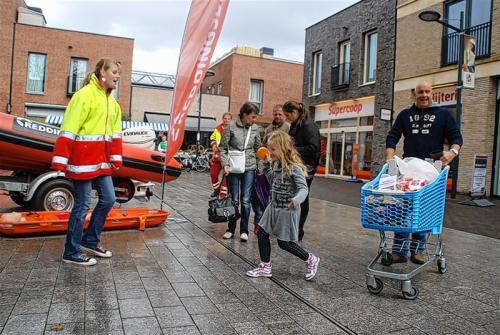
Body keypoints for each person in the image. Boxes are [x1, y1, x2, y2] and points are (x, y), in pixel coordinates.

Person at [51, 58, 123, 266]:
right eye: (115, 72)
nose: (118, 76)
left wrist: (115, 156)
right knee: (82, 205)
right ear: (102, 72)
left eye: (119, 73)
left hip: (102, 162)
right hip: (82, 161)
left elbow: (115, 133)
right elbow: (69, 127)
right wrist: (61, 160)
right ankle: (71, 252)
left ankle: (90, 240)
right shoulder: (83, 96)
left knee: (109, 199)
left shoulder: (113, 103)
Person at [386, 80, 463, 264]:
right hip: (408, 170)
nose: (424, 95)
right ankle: (399, 251)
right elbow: (392, 137)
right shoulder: (405, 114)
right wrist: (390, 162)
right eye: (421, 92)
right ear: (415, 94)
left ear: (432, 92)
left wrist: (451, 153)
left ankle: (418, 250)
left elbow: (457, 137)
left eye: (427, 91)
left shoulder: (443, 114)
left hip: (431, 171)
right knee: (403, 209)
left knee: (424, 210)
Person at [246, 131, 320, 280]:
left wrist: (296, 200)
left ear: (283, 148)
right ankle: (265, 266)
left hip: (287, 208)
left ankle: (311, 259)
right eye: (269, 148)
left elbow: (303, 189)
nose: (269, 152)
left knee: (284, 243)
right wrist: (266, 164)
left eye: (273, 149)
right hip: (273, 206)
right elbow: (271, 179)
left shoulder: (295, 168)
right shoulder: (276, 164)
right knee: (262, 233)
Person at [220, 102, 261, 242]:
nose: (254, 120)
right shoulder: (230, 127)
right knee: (234, 199)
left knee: (245, 200)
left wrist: (259, 167)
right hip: (233, 166)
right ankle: (230, 229)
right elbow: (223, 148)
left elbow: (258, 149)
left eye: (255, 117)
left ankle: (244, 231)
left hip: (249, 167)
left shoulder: (255, 128)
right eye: (253, 116)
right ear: (244, 114)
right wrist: (225, 164)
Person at [282, 101, 320, 241]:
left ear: (294, 112)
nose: (287, 118)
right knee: (296, 193)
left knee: (302, 195)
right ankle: (294, 226)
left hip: (308, 166)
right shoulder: (296, 124)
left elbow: (313, 148)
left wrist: (292, 150)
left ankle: (299, 229)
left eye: (287, 115)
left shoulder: (309, 126)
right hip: (299, 164)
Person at [209, 112, 232, 197]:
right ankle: (217, 190)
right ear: (223, 119)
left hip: (228, 155)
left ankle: (223, 194)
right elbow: (212, 138)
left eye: (228, 119)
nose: (226, 120)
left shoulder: (232, 129)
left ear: (231, 120)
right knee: (213, 174)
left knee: (226, 176)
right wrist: (213, 144)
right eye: (225, 118)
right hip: (218, 155)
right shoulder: (218, 129)